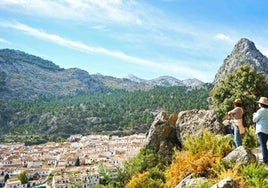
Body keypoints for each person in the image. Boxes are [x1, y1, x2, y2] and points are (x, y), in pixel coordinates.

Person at [252, 97, 268, 164]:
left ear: (261, 104)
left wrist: (254, 115)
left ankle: (265, 160)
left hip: (261, 130)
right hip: (267, 129)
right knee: (266, 145)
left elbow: (254, 120)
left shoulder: (260, 111)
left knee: (263, 145)